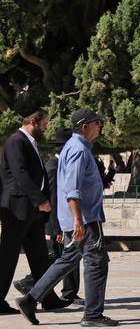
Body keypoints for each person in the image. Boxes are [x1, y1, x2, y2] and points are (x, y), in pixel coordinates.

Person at [17, 109, 118, 326]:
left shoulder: (74, 148)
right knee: (96, 263)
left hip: (79, 218)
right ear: (84, 126)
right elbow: (72, 189)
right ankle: (92, 315)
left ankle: (30, 299)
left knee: (68, 259)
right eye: (96, 123)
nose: (99, 126)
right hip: (86, 219)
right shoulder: (79, 150)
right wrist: (77, 220)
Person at [0, 110, 71, 316]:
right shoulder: (16, 141)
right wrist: (39, 200)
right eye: (45, 123)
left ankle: (47, 298)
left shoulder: (30, 142)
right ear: (33, 121)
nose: (46, 127)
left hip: (31, 210)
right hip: (17, 208)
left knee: (39, 256)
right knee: (8, 256)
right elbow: (20, 173)